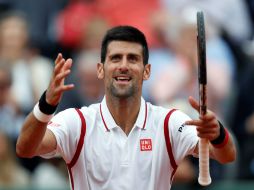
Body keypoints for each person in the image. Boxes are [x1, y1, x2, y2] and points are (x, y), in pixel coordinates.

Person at [16, 26, 236, 190]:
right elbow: (26, 148)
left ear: (147, 71)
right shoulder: (78, 122)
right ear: (101, 69)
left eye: (132, 58)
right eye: (115, 58)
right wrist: (46, 105)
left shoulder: (169, 122)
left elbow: (225, 155)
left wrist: (217, 134)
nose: (123, 65)